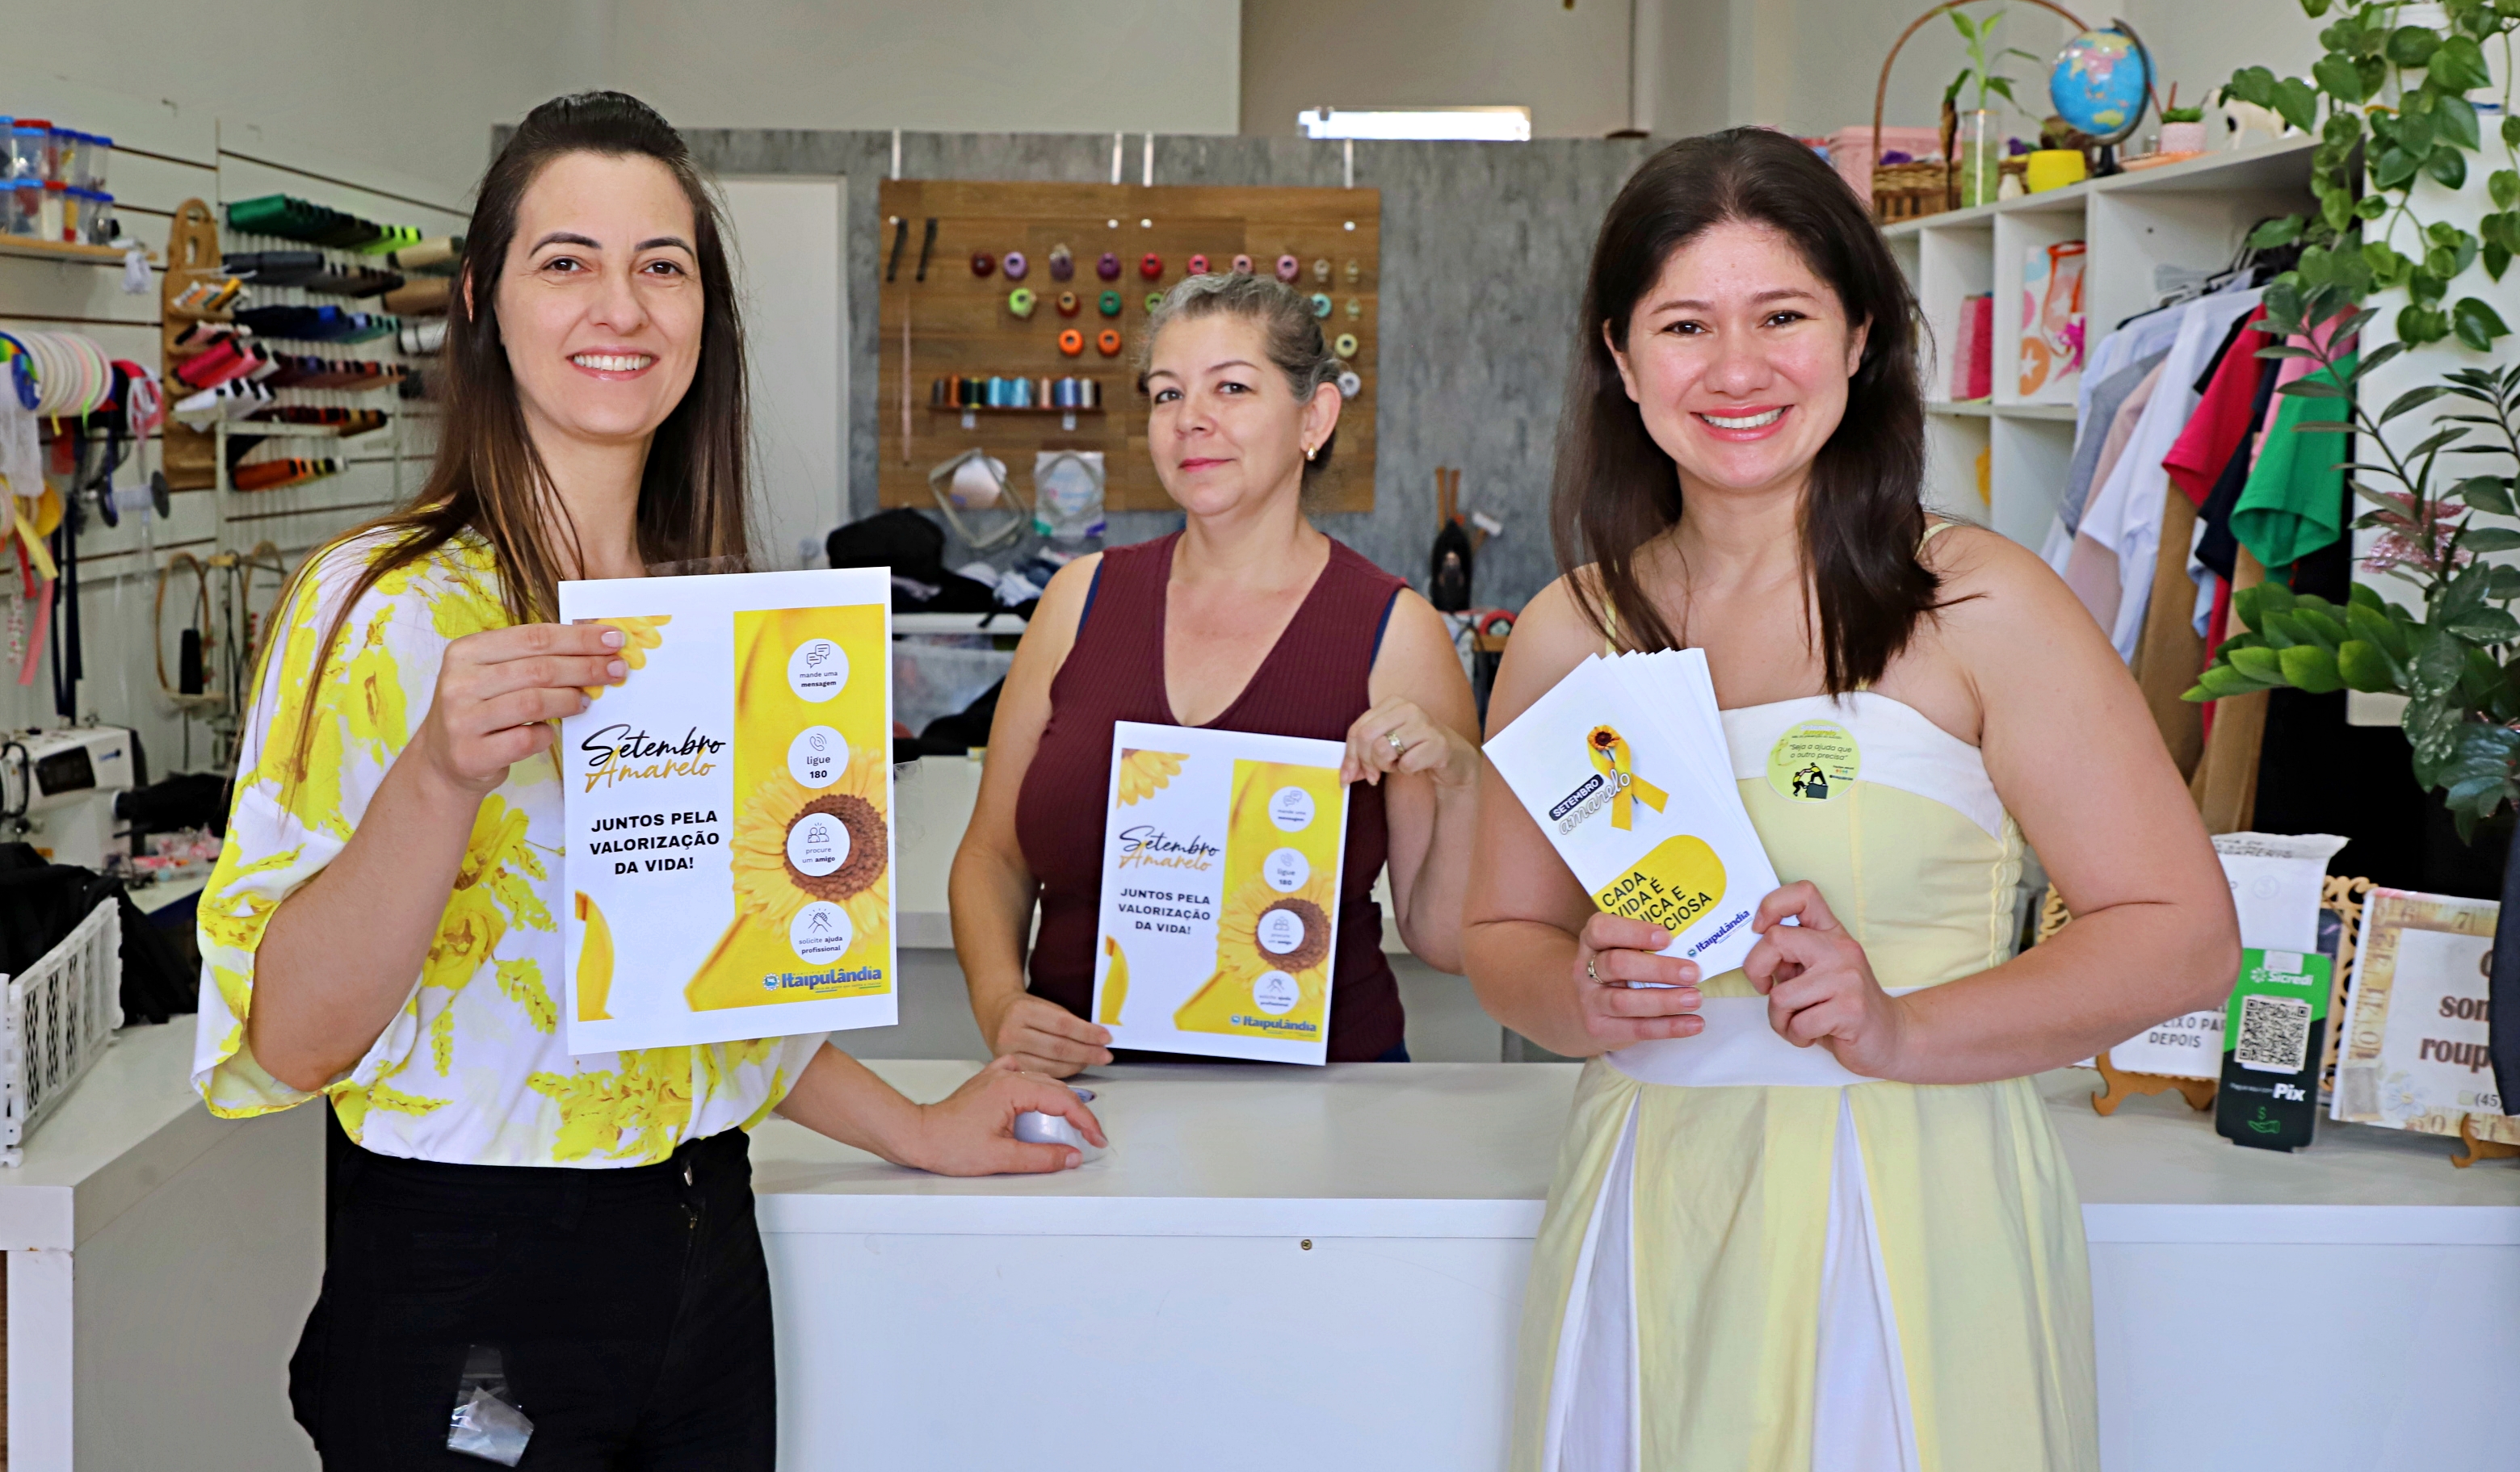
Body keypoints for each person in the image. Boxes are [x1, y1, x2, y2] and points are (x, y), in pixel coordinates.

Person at [191, 92, 1101, 1470]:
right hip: (472, 1279)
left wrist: (914, 1126)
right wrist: (436, 777)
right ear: (486, 301)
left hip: (703, 1252)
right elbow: (295, 1039)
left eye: (661, 266)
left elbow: (708, 992)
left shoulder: (712, 621)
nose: (619, 306)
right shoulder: (379, 608)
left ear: (703, 315)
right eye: (567, 261)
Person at [1462, 129, 2238, 1471]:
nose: (1737, 369)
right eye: (1686, 325)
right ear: (1621, 358)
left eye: (1783, 317)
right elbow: (1497, 937)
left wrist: (1900, 1026)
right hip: (1653, 1203)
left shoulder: (1977, 604)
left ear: (1861, 336)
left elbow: (2183, 934)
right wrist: (1577, 995)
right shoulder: (1570, 631)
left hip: (1918, 1205)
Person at [951, 270, 1482, 1071]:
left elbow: (1442, 937)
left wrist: (1463, 779)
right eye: (1167, 394)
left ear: (1315, 416)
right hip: (1086, 1096)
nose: (1190, 418)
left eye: (1231, 387)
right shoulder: (1078, 600)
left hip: (1325, 1105)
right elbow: (993, 855)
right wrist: (999, 1001)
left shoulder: (1396, 631)